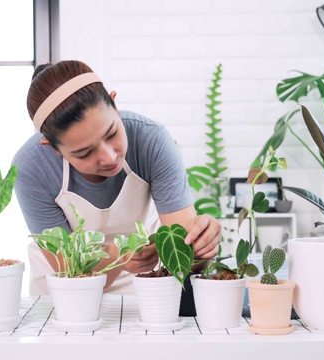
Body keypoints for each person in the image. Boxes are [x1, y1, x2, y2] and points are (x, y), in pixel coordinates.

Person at [12, 60, 221, 295]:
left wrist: (203, 244)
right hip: (63, 290)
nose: (109, 157)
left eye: (112, 133)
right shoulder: (32, 168)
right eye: (84, 152)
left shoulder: (151, 140)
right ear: (53, 149)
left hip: (143, 281)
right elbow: (71, 273)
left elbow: (186, 259)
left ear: (113, 102)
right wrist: (119, 255)